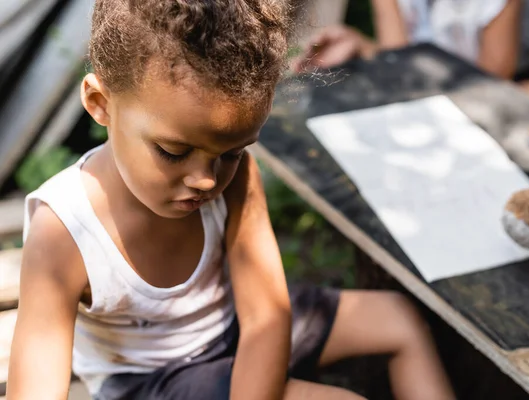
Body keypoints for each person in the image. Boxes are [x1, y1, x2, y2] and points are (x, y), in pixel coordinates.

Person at [6, 1, 455, 400]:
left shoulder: (235, 178)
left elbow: (266, 315)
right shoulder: (64, 228)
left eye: (232, 152)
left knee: (398, 319)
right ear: (101, 103)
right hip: (154, 381)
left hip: (238, 329)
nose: (205, 180)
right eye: (174, 152)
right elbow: (37, 388)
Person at [293, 0, 529, 119]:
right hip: (410, 90)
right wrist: (360, 45)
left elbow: (489, 85)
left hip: (471, 99)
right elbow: (400, 63)